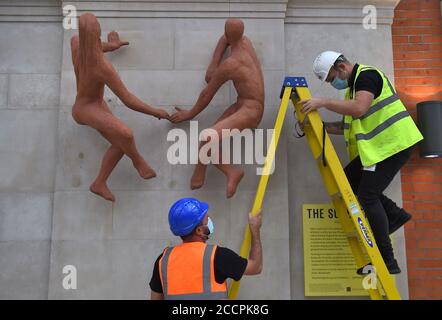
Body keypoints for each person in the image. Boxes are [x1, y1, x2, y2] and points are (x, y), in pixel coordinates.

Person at [300, 51, 423, 274]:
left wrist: (324, 102)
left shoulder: (367, 77)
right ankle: (394, 215)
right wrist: (319, 127)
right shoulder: (352, 90)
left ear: (341, 66)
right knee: (348, 181)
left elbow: (360, 109)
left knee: (367, 196)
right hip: (379, 149)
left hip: (394, 145)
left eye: (331, 78)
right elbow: (346, 125)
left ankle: (388, 260)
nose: (332, 84)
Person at [71, 13, 169, 202]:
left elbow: (92, 47)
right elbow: (128, 99)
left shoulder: (76, 44)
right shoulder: (101, 67)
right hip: (84, 109)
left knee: (120, 141)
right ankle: (138, 161)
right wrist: (155, 112)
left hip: (95, 105)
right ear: (97, 33)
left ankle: (99, 183)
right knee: (126, 134)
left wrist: (112, 46)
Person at [169, 19, 265, 198]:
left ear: (229, 34)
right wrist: (213, 63)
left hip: (250, 110)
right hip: (242, 103)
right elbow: (225, 39)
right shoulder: (246, 42)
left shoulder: (231, 65)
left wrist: (189, 114)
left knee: (206, 136)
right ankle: (201, 169)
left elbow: (207, 94)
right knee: (208, 139)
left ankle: (231, 172)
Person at [149, 197, 263, 300]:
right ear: (199, 230)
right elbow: (256, 267)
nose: (209, 221)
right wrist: (255, 230)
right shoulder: (217, 256)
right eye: (207, 219)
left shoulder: (163, 260)